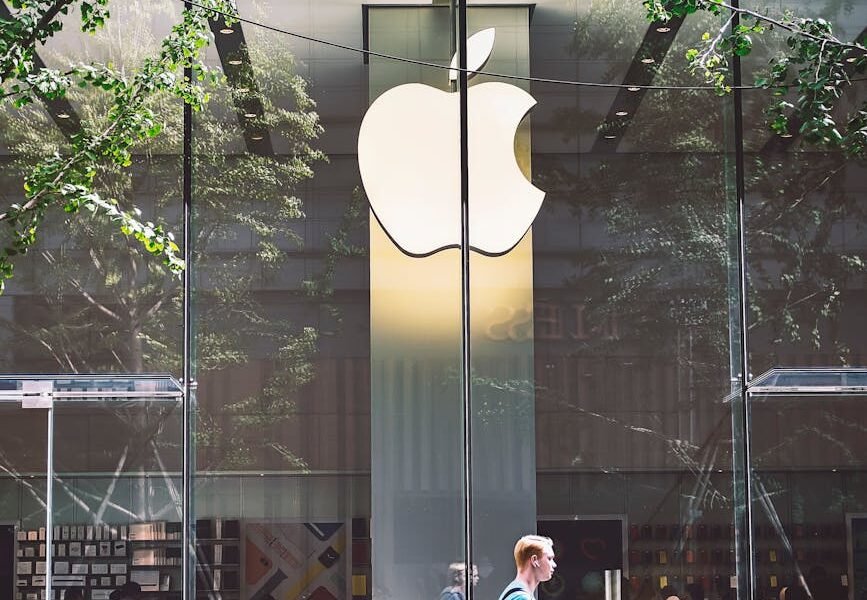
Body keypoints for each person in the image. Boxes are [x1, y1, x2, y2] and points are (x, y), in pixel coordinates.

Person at [497, 534, 557, 600]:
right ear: (534, 560)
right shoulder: (522, 598)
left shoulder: (513, 592)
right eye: (549, 558)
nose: (554, 564)